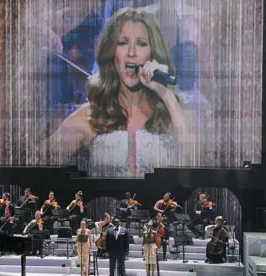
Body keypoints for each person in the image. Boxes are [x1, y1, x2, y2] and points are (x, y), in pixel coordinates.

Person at [44, 7, 191, 178]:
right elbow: (35, 166)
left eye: (141, 44)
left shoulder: (174, 114)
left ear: (153, 54)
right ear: (112, 54)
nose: (132, 53)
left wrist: (165, 94)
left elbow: (195, 168)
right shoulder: (91, 116)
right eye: (123, 43)